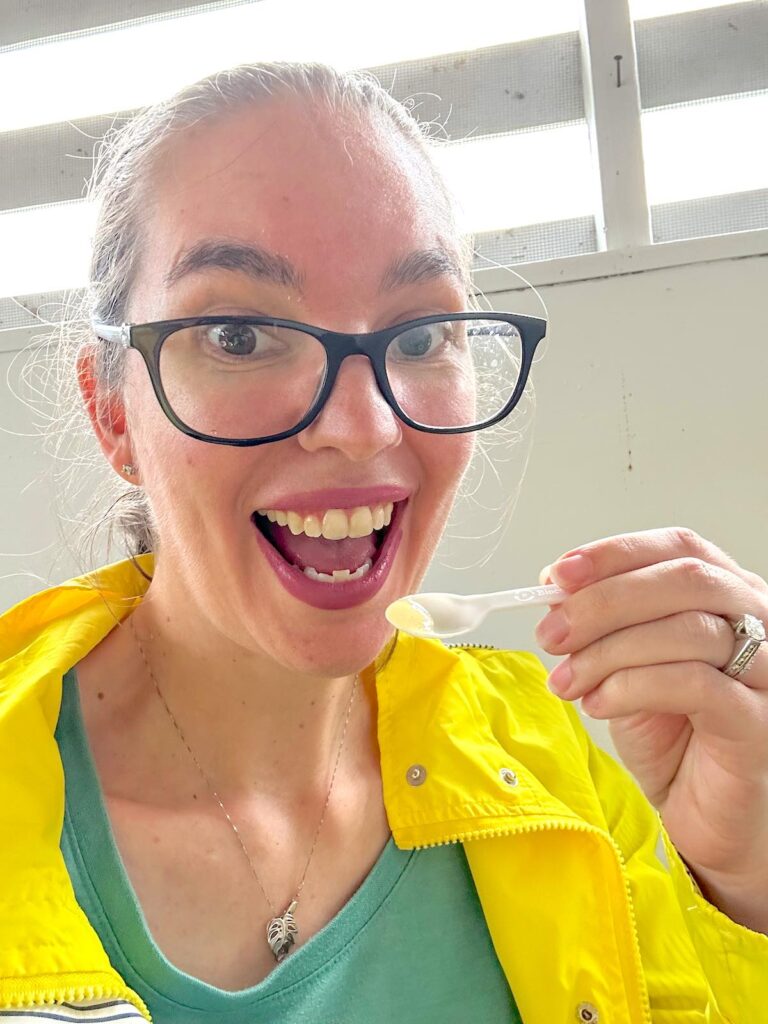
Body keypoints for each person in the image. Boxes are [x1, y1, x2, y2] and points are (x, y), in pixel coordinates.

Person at [0, 61, 766, 1023]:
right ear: (114, 410)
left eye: (418, 335)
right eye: (239, 334)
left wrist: (745, 888)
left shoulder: (556, 773)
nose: (362, 428)